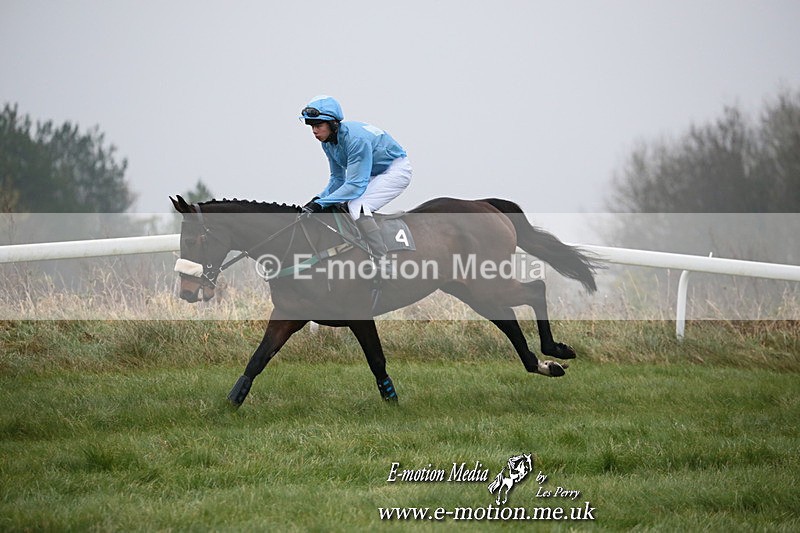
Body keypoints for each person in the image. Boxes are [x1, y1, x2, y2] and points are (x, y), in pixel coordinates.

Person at [300, 95, 412, 258]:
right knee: (340, 205)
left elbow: (354, 185)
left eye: (318, 125)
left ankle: (382, 259)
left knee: (357, 206)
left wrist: (320, 204)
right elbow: (338, 180)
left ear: (333, 123)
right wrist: (316, 200)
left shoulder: (355, 140)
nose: (314, 131)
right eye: (311, 126)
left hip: (396, 170)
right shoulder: (328, 143)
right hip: (373, 172)